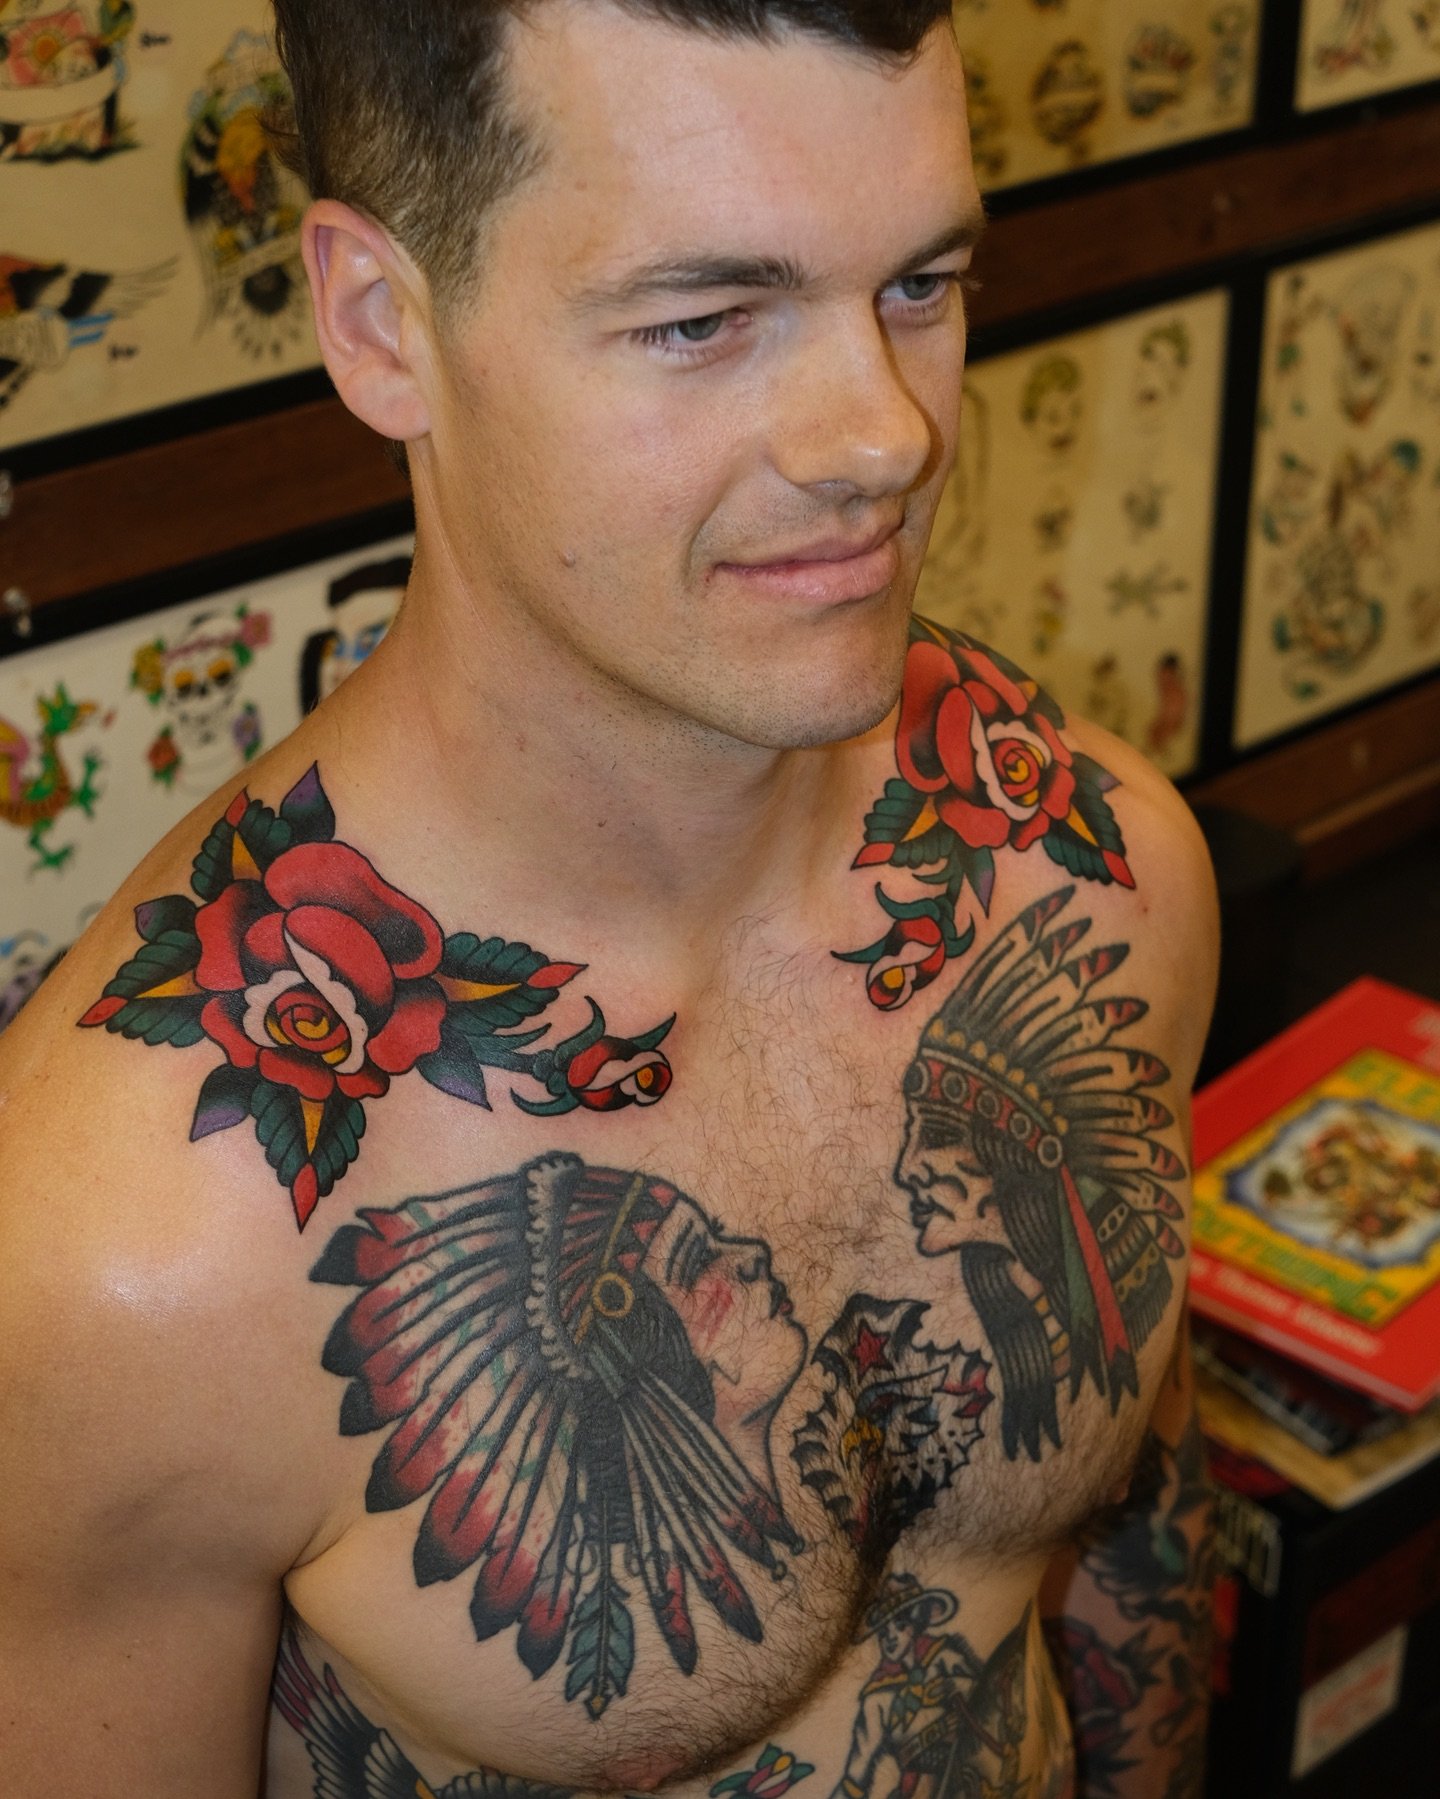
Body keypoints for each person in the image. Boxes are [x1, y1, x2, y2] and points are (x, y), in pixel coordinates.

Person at [0, 3, 1219, 1796]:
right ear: (377, 325)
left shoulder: (1099, 882)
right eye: (704, 320)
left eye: (920, 285)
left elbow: (1134, 1557)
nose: (882, 438)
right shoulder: (136, 1254)